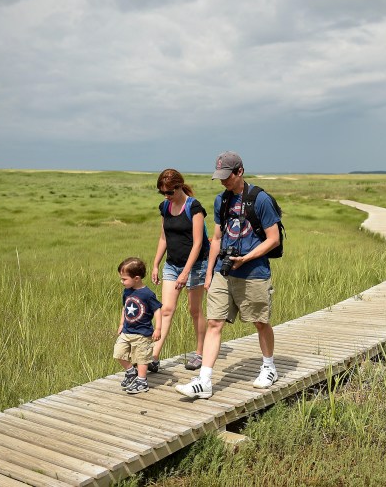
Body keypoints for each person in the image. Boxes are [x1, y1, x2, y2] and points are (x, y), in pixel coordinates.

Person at [175, 151, 280, 399]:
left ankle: (269, 367)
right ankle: (204, 381)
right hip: (223, 270)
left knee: (260, 321)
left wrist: (247, 257)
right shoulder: (221, 201)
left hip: (254, 272)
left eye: (227, 177)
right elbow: (218, 239)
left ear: (240, 172)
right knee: (214, 322)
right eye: (219, 177)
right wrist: (209, 272)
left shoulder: (260, 199)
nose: (223, 181)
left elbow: (273, 239)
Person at [150, 169, 209, 373]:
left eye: (169, 192)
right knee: (166, 309)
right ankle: (154, 356)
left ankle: (200, 353)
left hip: (196, 266)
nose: (166, 196)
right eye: (162, 193)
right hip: (172, 264)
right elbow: (163, 238)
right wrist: (156, 263)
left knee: (195, 311)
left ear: (179, 186)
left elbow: (198, 243)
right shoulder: (165, 207)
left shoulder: (194, 208)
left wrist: (186, 272)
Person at [115, 257, 162, 394]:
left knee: (141, 357)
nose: (122, 282)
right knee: (118, 352)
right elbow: (125, 308)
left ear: (136, 278)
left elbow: (157, 310)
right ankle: (131, 372)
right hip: (127, 331)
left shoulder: (147, 294)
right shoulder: (127, 291)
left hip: (142, 333)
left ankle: (142, 381)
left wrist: (158, 328)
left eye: (124, 279)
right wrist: (121, 323)